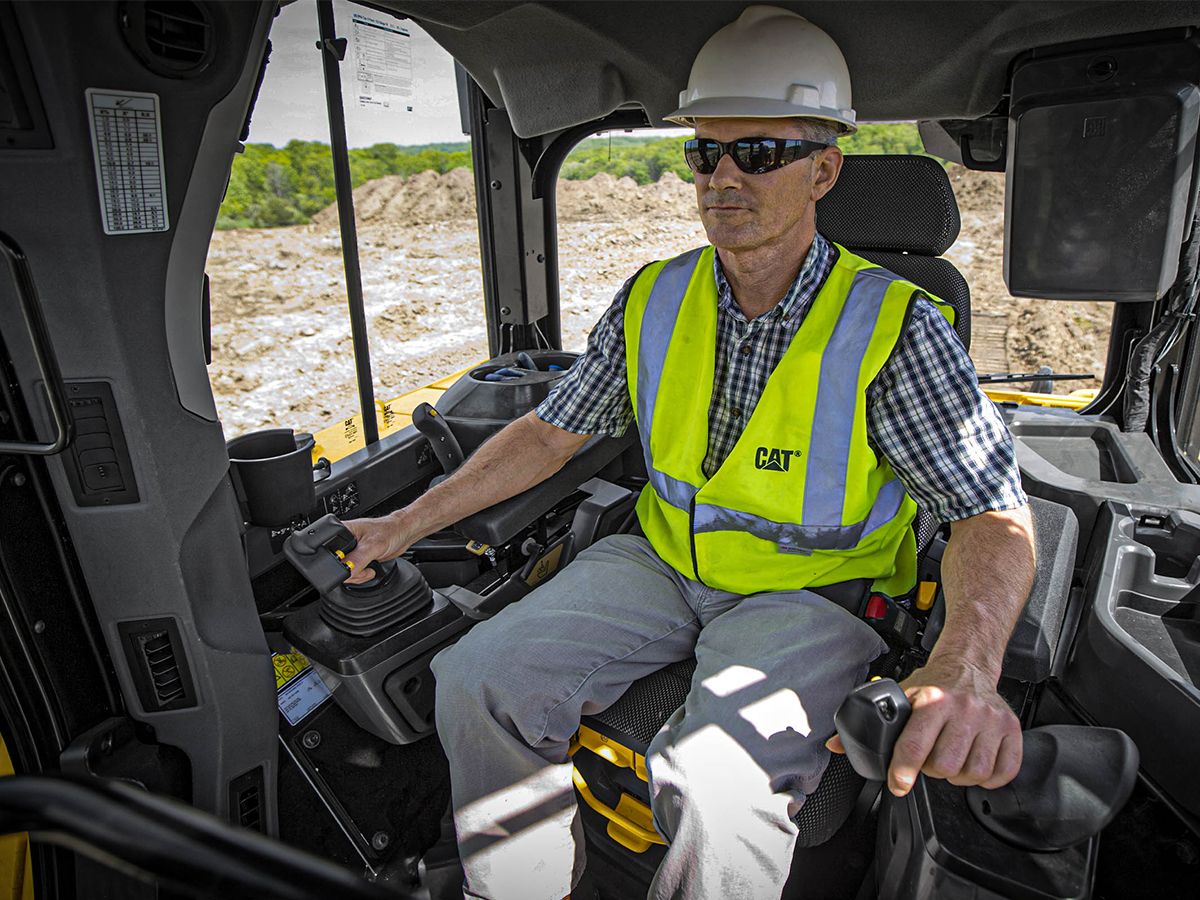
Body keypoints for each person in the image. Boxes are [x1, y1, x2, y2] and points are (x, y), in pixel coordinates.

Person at [344, 7, 1035, 899]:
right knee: (475, 677)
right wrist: (402, 524)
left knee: (713, 780)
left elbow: (989, 509)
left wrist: (965, 667)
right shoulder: (653, 297)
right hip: (659, 562)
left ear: (824, 170)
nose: (721, 177)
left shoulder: (895, 328)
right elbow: (553, 433)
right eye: (704, 152)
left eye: (758, 153)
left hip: (808, 593)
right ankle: (517, 887)